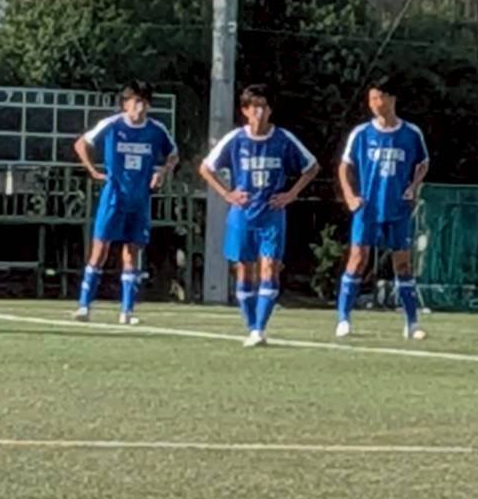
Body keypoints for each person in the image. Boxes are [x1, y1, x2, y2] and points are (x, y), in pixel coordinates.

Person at [200, 84, 319, 348]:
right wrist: (227, 193)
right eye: (254, 107)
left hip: (272, 213)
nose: (260, 112)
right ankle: (252, 326)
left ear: (270, 110)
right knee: (244, 271)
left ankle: (260, 328)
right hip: (242, 214)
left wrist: (291, 194)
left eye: (264, 107)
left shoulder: (283, 139)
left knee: (270, 267)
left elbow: (311, 167)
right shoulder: (235, 139)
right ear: (245, 110)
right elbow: (206, 168)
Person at [72, 81, 178, 325]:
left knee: (132, 253)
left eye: (144, 102)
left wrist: (162, 172)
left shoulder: (156, 130)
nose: (140, 107)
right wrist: (93, 170)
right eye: (136, 102)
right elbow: (81, 143)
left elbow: (173, 154)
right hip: (114, 196)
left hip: (139, 199)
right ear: (126, 104)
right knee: (100, 250)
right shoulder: (112, 124)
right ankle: (84, 306)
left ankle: (127, 311)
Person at [334, 74, 430, 341]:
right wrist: (350, 196)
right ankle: (343, 318)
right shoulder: (361, 133)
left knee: (403, 263)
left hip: (398, 207)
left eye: (380, 98)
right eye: (372, 99)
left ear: (391, 99)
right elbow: (344, 166)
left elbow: (423, 163)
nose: (375, 103)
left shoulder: (411, 133)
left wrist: (413, 186)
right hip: (367, 207)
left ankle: (411, 323)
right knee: (358, 259)